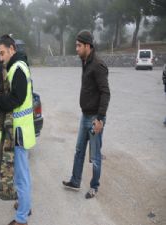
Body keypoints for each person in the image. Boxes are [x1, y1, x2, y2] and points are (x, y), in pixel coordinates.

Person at [0, 34, 36, 225]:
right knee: (22, 173)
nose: (1, 58)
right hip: (18, 130)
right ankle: (25, 204)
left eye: (3, 53)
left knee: (22, 176)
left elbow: (17, 99)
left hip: (19, 133)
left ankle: (22, 217)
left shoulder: (18, 68)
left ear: (12, 49)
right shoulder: (16, 66)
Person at [62, 30, 110, 199]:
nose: (76, 48)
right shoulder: (85, 61)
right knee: (79, 150)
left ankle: (94, 187)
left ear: (88, 46)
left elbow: (105, 93)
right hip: (85, 115)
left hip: (95, 117)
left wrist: (100, 119)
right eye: (76, 45)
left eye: (79, 45)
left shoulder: (97, 65)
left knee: (95, 157)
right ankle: (75, 181)